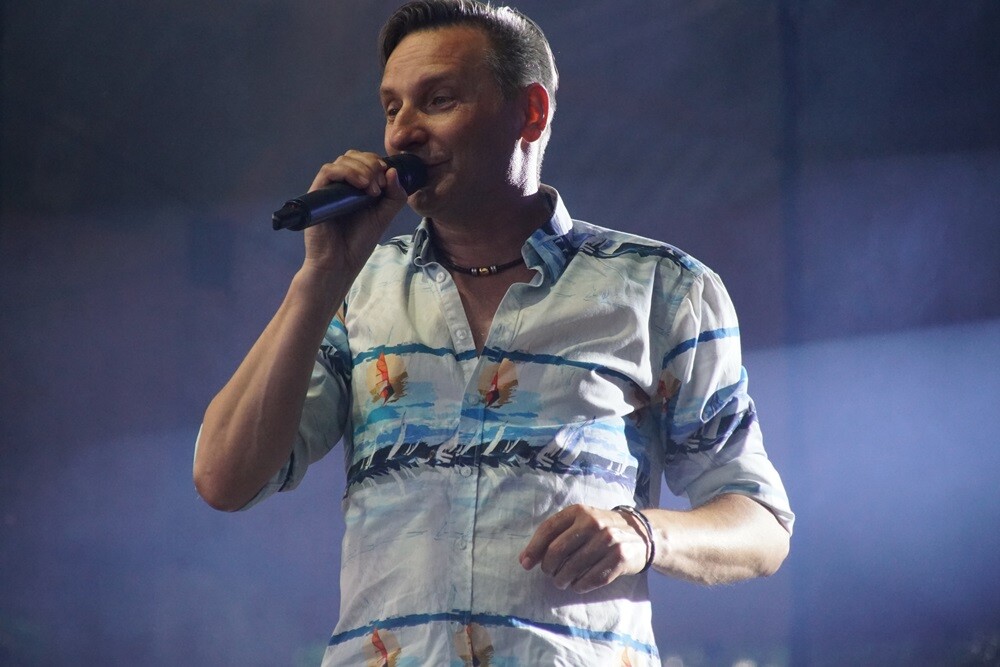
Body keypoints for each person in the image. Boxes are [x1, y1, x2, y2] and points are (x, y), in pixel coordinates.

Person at [194, 1, 793, 664]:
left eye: (438, 100)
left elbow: (761, 525)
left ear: (530, 113)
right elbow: (224, 479)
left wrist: (644, 534)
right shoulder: (356, 288)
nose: (403, 133)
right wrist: (320, 277)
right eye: (392, 108)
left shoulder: (662, 288)